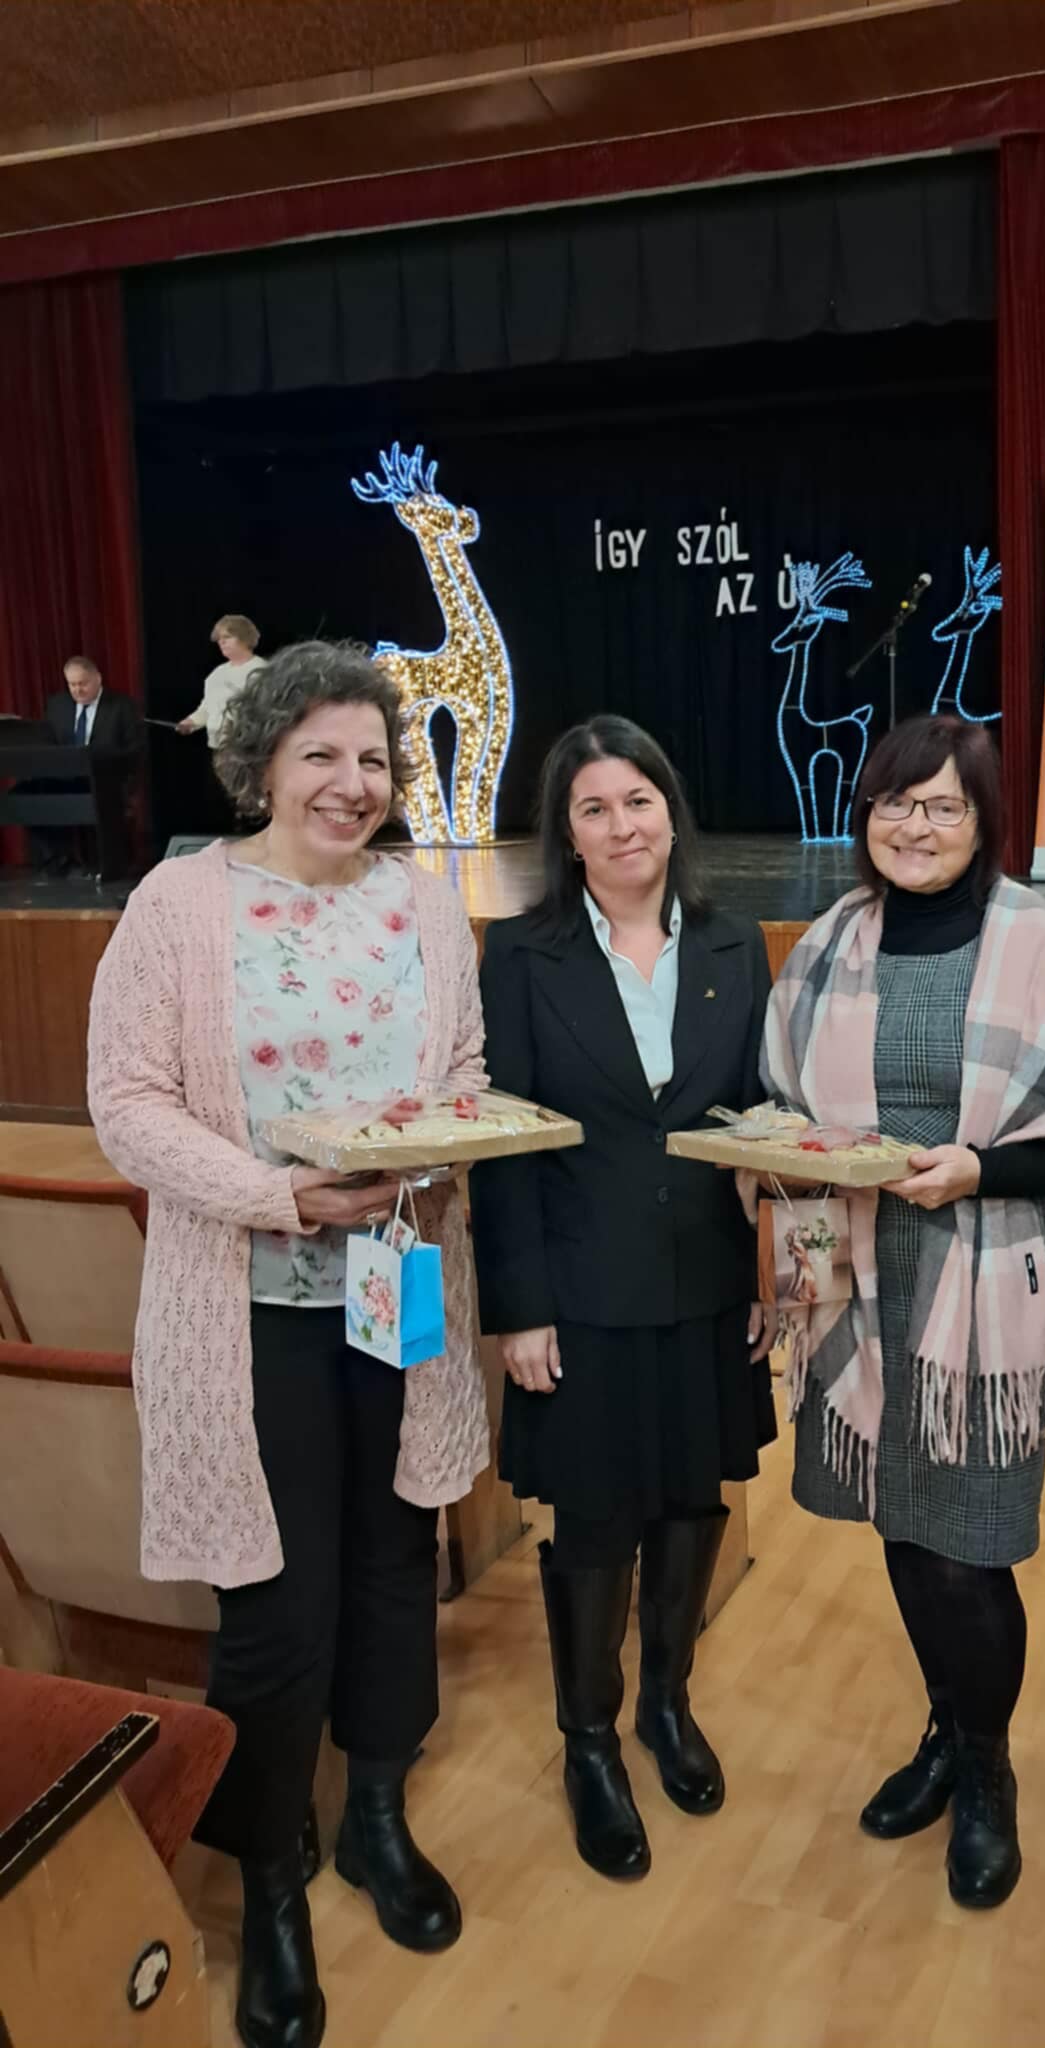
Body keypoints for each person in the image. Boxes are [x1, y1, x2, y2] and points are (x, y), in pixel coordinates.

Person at [88, 641, 489, 2048]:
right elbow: (127, 1101)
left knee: (395, 1554)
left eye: (373, 758)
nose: (351, 782)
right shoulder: (181, 902)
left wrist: (442, 1153)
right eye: (321, 753)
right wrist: (280, 1196)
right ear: (261, 760)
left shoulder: (423, 904)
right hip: (245, 1301)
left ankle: (375, 1810)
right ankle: (269, 1871)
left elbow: (463, 1077)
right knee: (272, 1592)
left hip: (402, 1282)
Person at [759, 714, 1045, 1909]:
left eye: (942, 806)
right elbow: (780, 1106)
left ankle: (987, 1766)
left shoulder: (1037, 942)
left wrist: (979, 1169)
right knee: (900, 1517)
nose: (915, 825)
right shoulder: (831, 942)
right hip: (855, 1271)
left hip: (980, 1283)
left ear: (985, 822)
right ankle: (946, 1725)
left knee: (970, 1541)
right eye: (895, 801)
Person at [469, 717, 775, 1882]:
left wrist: (768, 1271)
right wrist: (519, 1306)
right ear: (566, 831)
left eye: (637, 799)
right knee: (595, 1519)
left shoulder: (737, 941)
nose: (620, 825)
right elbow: (505, 1141)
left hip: (707, 1280)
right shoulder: (521, 952)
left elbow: (760, 1124)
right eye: (592, 807)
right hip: (580, 1290)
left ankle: (667, 1702)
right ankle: (589, 1740)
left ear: (670, 809)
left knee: (693, 1504)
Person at [27, 654, 143, 874]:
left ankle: (106, 865)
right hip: (65, 777)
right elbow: (48, 743)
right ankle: (58, 861)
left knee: (102, 797)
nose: (77, 690)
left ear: (97, 678)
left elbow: (134, 749)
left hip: (107, 778)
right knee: (27, 795)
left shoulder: (121, 706)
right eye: (72, 684)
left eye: (83, 683)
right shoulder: (58, 705)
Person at [177, 614, 269, 745]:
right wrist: (191, 722)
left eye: (227, 637)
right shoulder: (217, 673)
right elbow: (207, 707)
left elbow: (266, 712)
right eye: (219, 639)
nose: (221, 642)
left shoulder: (261, 671)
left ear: (245, 638)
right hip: (219, 746)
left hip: (249, 747)